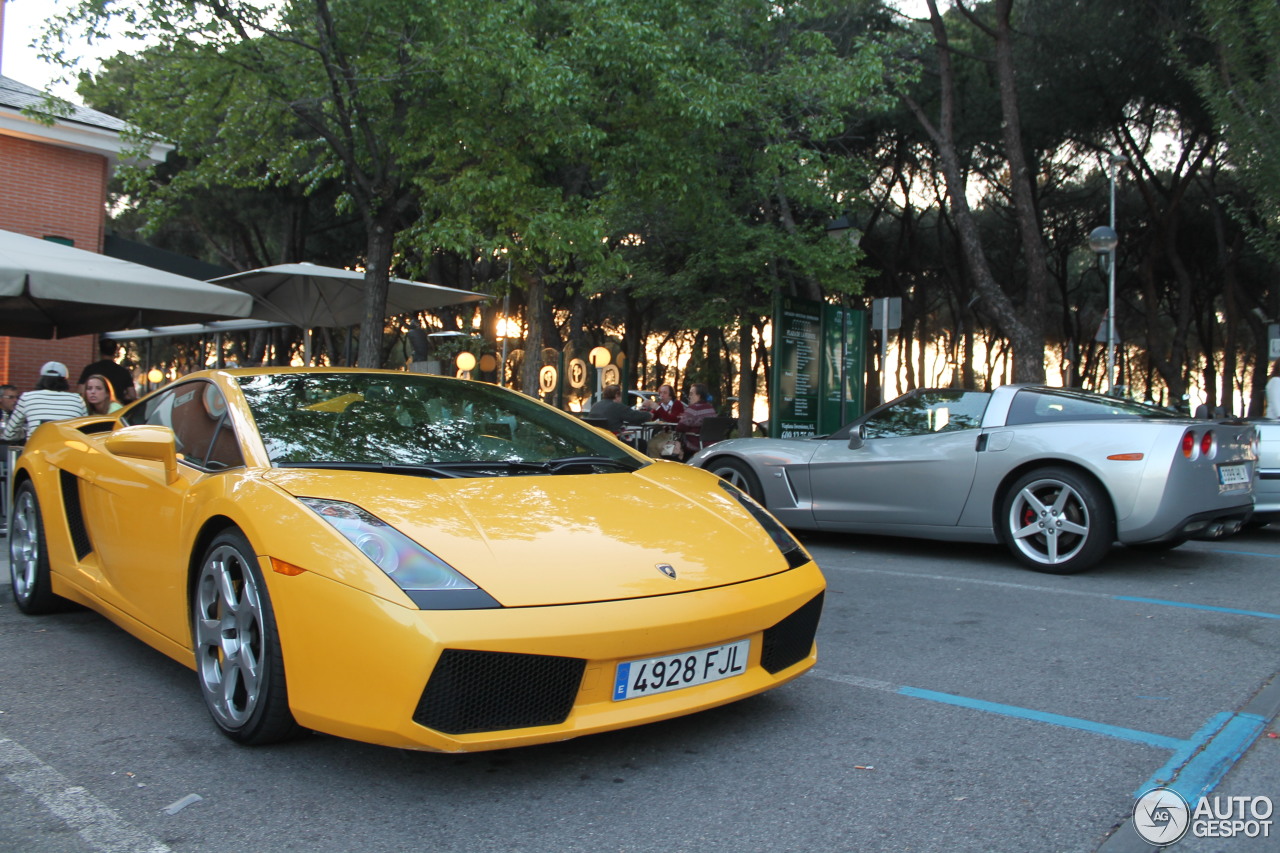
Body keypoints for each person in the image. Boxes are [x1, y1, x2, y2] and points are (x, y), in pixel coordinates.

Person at [2, 362, 89, 442]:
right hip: (67, 453)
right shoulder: (78, 400)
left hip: (36, 452)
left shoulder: (27, 397)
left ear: (42, 379)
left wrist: (28, 432)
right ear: (64, 380)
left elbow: (8, 434)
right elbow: (87, 434)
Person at [78, 337, 136, 404]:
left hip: (93, 408)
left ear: (99, 351)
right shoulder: (124, 372)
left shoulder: (90, 369)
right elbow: (132, 395)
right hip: (116, 409)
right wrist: (120, 396)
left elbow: (80, 392)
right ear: (115, 352)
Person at [588, 384, 653, 433]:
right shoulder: (617, 407)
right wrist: (650, 415)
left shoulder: (595, 405)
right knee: (642, 443)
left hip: (598, 439)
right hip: (614, 441)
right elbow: (635, 416)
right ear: (616, 395)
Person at [675, 382, 717, 457]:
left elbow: (680, 428)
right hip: (711, 444)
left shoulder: (693, 409)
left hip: (695, 444)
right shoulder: (711, 408)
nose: (689, 396)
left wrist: (684, 418)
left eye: (691, 394)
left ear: (699, 395)